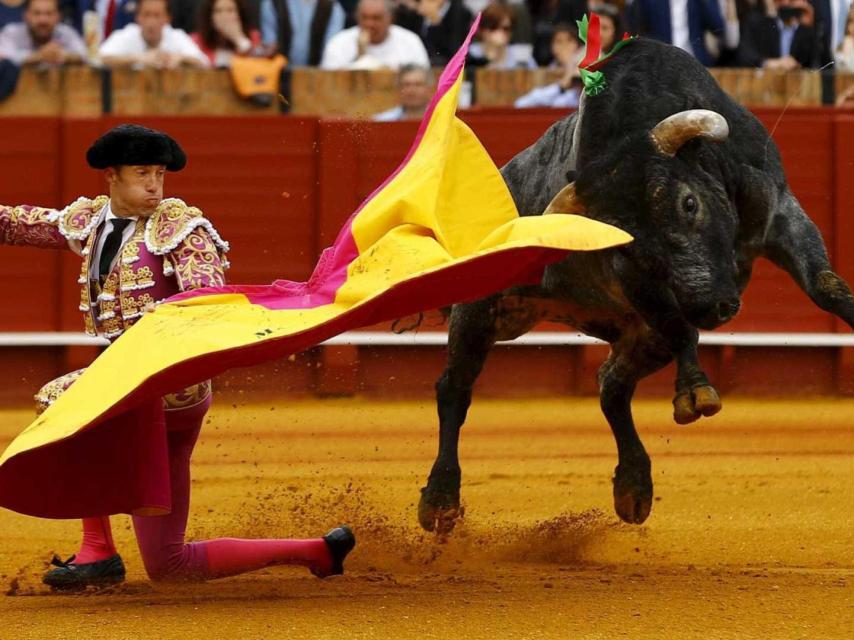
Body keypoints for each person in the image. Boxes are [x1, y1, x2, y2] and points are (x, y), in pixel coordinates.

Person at [0, 124, 356, 589]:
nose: (154, 185)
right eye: (142, 173)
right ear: (112, 176)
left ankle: (97, 550)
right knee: (170, 567)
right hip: (128, 382)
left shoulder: (181, 229)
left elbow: (206, 305)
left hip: (173, 386)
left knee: (65, 401)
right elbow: (19, 223)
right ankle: (319, 551)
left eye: (160, 174)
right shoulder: (90, 221)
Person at [320, 0, 429, 69]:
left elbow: (422, 79)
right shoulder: (339, 42)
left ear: (391, 18)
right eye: (364, 17)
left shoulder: (410, 42)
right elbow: (329, 81)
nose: (369, 24)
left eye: (376, 18)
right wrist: (359, 58)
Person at [99, 0, 209, 68]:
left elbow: (205, 64)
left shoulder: (176, 36)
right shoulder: (126, 35)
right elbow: (98, 59)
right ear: (137, 17)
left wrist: (181, 58)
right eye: (147, 15)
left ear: (167, 18)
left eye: (157, 15)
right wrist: (139, 59)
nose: (151, 22)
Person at [627, 0, 730, 66]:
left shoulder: (698, 2)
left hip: (697, 62)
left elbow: (719, 29)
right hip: (660, 64)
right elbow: (635, 28)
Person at [514, 22, 582, 107]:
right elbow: (521, 104)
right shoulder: (547, 72)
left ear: (577, 45)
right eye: (559, 41)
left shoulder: (585, 68)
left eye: (569, 40)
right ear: (552, 47)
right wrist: (560, 87)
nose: (564, 45)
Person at [738, 0, 821, 69]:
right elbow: (746, 55)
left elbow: (819, 61)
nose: (786, 3)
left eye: (791, 1)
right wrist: (769, 63)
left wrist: (811, 23)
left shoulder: (806, 27)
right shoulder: (760, 24)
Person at [259, 0, 345, 66]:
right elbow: (269, 45)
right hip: (278, 76)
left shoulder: (333, 8)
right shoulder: (273, 4)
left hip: (318, 78)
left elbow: (331, 52)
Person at [0, 0, 87, 65]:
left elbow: (85, 55)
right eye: (37, 13)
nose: (43, 20)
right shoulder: (11, 32)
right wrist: (39, 56)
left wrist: (63, 55)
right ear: (26, 15)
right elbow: (4, 57)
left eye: (49, 14)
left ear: (58, 16)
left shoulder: (66, 32)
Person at [395, 0, 473, 66]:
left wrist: (435, 24)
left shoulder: (461, 15)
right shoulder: (414, 16)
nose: (417, 6)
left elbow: (454, 54)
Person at [191, 0, 263, 66]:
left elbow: (260, 68)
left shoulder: (254, 37)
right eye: (218, 11)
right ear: (210, 16)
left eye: (230, 10)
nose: (224, 16)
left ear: (239, 13)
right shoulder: (196, 40)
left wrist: (239, 39)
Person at [467, 1, 536, 68]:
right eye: (493, 27)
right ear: (482, 30)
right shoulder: (467, 55)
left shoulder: (523, 58)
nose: (500, 32)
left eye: (506, 28)